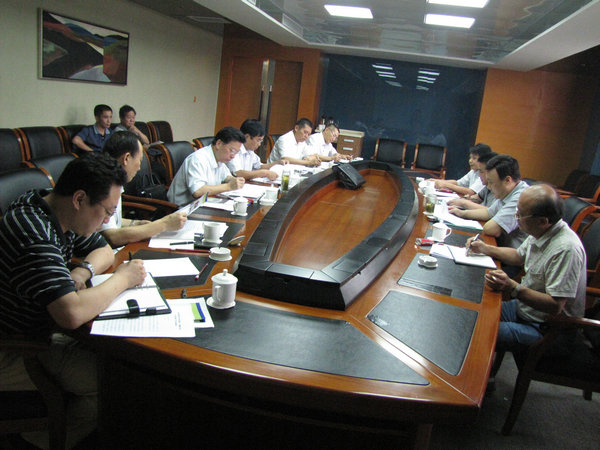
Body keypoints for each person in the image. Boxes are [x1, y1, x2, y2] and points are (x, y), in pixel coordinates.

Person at [0, 153, 146, 448]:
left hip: (39, 329)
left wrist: (82, 270)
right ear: (80, 198)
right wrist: (124, 279)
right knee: (112, 383)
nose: (107, 220)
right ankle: (37, 441)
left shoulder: (51, 205)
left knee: (116, 362)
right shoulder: (34, 235)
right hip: (13, 348)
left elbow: (103, 249)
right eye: (106, 211)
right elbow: (71, 313)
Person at [467, 184, 586, 354]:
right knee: (471, 314)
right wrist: (485, 248)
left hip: (547, 329)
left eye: (520, 215)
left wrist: (513, 287)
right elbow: (518, 256)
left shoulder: (566, 249)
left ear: (543, 221)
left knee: (479, 331)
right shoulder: (542, 231)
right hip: (525, 309)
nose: (516, 217)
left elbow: (555, 306)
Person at [102, 131, 187, 247]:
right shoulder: (103, 185)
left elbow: (113, 223)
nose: (139, 168)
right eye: (140, 160)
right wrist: (164, 224)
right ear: (126, 158)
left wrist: (135, 223)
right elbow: (112, 237)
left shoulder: (115, 181)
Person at [448, 154, 529, 249]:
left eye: (491, 182)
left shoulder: (521, 197)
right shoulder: (509, 191)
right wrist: (461, 213)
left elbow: (491, 229)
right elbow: (488, 212)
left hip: (511, 253)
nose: (489, 187)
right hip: (499, 246)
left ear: (507, 180)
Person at [167, 126, 246, 206]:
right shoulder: (198, 159)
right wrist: (229, 186)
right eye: (232, 151)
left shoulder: (219, 157)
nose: (233, 156)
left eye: (236, 153)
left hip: (206, 202)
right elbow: (198, 191)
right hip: (185, 207)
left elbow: (226, 176)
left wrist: (233, 180)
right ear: (219, 144)